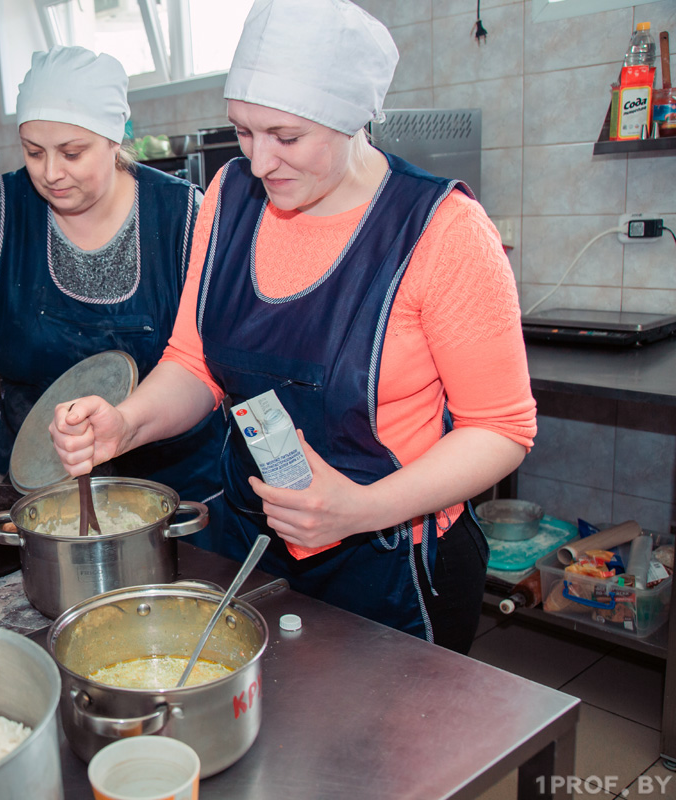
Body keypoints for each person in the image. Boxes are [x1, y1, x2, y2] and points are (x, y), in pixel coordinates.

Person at [49, 0, 537, 654]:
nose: (259, 161)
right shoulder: (230, 198)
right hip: (253, 544)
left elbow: (502, 428)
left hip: (391, 557)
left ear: (351, 120)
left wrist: (363, 508)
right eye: (243, 132)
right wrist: (127, 422)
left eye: (285, 137)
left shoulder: (442, 230)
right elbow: (195, 362)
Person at [0, 45, 226, 528]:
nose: (50, 172)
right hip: (39, 499)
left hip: (177, 500)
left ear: (114, 138)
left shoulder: (186, 216)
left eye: (73, 152)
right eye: (34, 151)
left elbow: (215, 359)